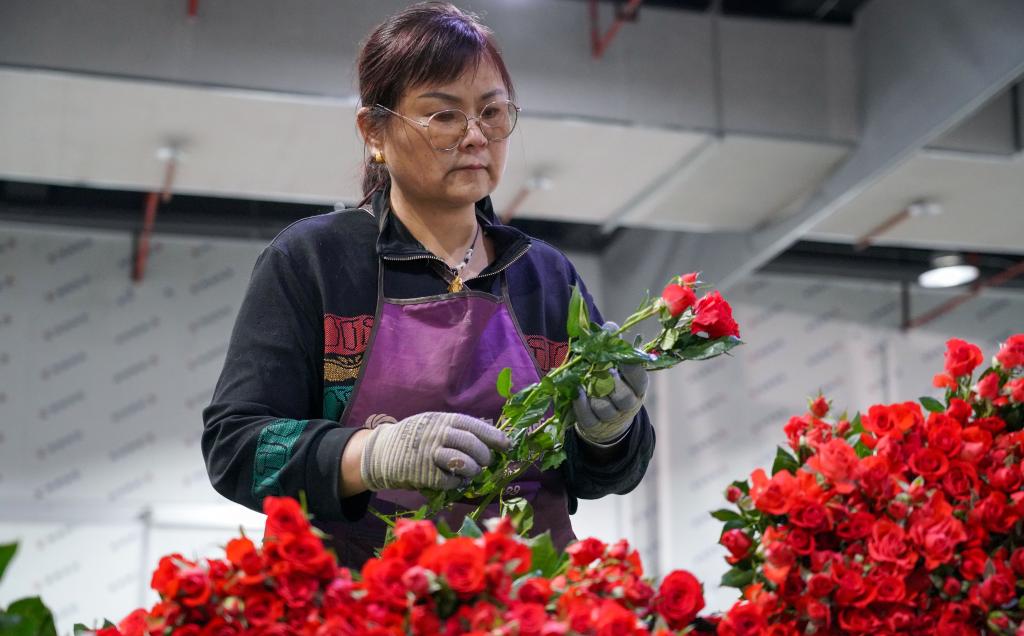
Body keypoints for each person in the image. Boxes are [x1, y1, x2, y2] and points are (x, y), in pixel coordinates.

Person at [202, 1, 655, 569]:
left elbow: (602, 477)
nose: (475, 136)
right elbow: (236, 448)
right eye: (443, 115)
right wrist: (368, 455)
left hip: (523, 598)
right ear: (374, 131)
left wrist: (609, 433)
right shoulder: (314, 261)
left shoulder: (545, 276)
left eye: (492, 113)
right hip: (357, 598)